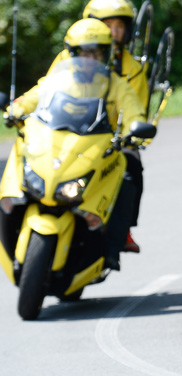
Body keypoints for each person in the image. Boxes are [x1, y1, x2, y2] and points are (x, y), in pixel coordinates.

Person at [4, 18, 146, 271]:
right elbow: (35, 96)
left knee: (125, 181)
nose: (90, 57)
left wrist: (134, 129)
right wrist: (16, 108)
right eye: (83, 52)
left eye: (96, 51)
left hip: (98, 150)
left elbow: (134, 113)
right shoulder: (58, 79)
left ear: (106, 53)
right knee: (17, 166)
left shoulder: (117, 85)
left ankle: (112, 248)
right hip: (57, 143)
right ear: (72, 54)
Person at [83, 0, 148, 254]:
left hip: (112, 138)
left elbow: (137, 105)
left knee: (132, 165)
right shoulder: (71, 57)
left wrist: (132, 133)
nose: (112, 32)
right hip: (70, 131)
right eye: (105, 25)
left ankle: (122, 231)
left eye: (118, 26)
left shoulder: (133, 68)